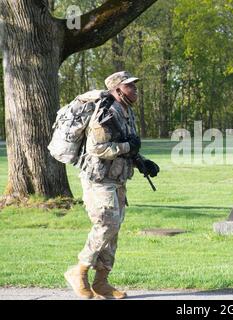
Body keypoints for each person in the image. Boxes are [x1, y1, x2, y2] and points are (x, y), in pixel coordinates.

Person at [64, 71, 159, 299]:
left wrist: (141, 162)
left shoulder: (127, 112)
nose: (135, 89)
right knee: (107, 224)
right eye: (130, 86)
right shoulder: (106, 113)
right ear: (117, 90)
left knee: (113, 229)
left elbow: (127, 145)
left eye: (135, 86)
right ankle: (79, 271)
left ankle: (101, 282)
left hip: (117, 179)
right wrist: (128, 148)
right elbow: (97, 148)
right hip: (98, 180)